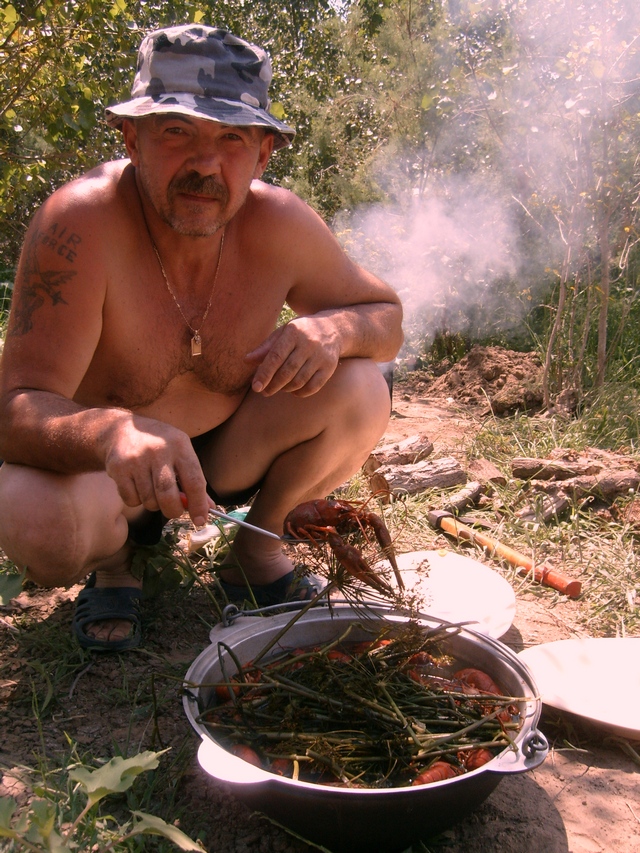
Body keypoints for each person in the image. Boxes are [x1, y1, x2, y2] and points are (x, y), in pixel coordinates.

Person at [0, 24, 403, 651]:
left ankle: (255, 553)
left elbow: (387, 318)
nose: (205, 164)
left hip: (229, 457)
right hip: (106, 480)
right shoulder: (80, 224)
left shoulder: (281, 224)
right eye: (176, 131)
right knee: (33, 514)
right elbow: (14, 411)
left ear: (263, 154)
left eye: (232, 138)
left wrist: (335, 328)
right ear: (132, 138)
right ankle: (118, 564)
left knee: (361, 386)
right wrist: (111, 433)